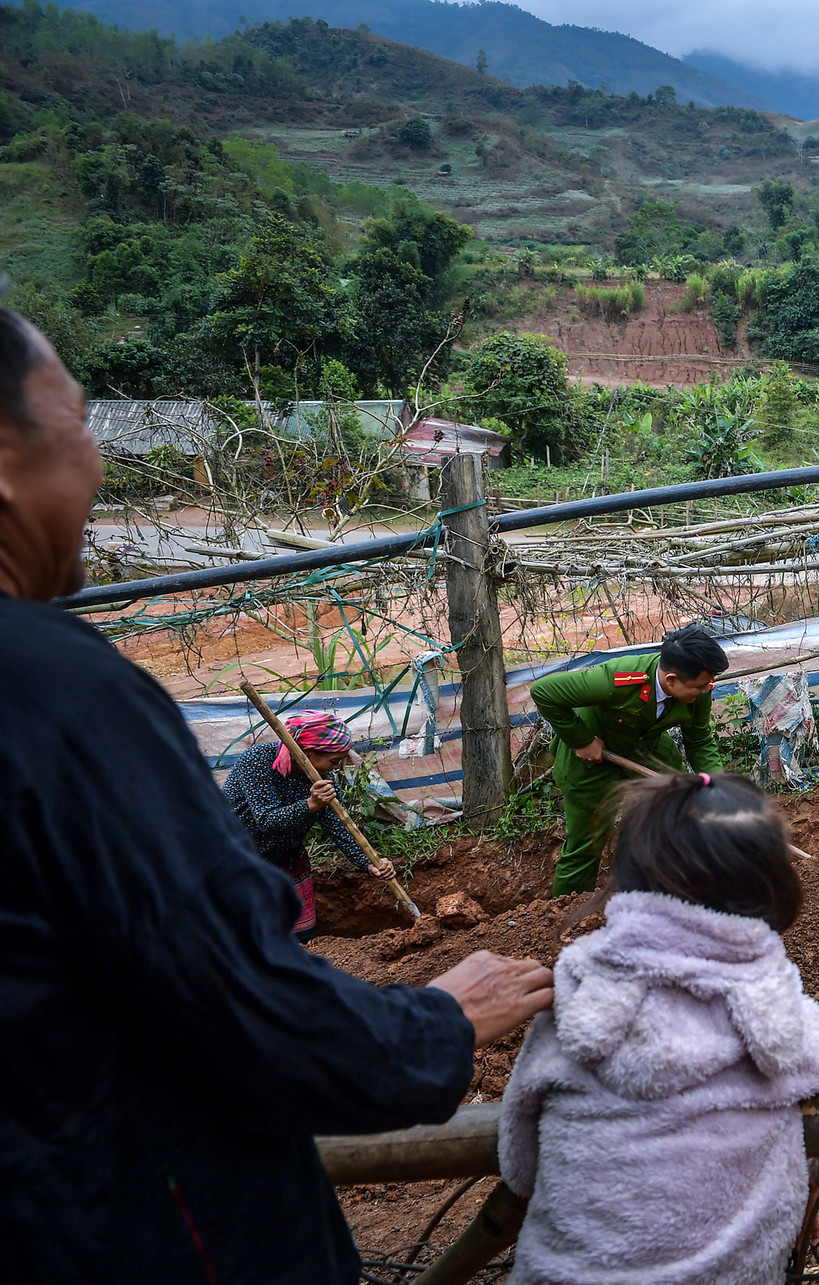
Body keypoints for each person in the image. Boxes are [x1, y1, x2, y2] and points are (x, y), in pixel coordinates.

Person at [0, 304, 555, 1284]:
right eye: (80, 421)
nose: (96, 466)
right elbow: (241, 1012)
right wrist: (435, 1021)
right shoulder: (56, 695)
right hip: (137, 1227)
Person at [499, 771, 819, 1285]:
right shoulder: (771, 1009)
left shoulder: (579, 996)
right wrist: (800, 1185)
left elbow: (519, 1162)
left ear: (628, 879)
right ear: (771, 890)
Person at [530, 625, 731, 897]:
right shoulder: (617, 679)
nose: (707, 691)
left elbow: (699, 740)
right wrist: (581, 739)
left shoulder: (699, 690)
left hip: (646, 748)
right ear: (671, 680)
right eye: (700, 686)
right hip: (591, 760)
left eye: (709, 684)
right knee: (586, 843)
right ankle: (570, 915)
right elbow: (544, 691)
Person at [221, 711, 390, 941]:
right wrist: (310, 804)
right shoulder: (257, 761)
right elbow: (266, 821)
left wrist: (369, 862)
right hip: (237, 859)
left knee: (299, 938)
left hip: (286, 858)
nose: (338, 768)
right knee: (247, 938)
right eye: (333, 761)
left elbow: (339, 827)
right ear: (308, 754)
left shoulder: (323, 779)